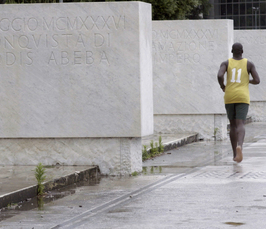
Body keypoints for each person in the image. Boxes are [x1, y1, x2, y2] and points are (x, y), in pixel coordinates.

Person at [217, 43, 260, 163]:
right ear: (242, 51)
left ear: (232, 51)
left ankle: (235, 154)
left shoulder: (226, 63)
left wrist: (222, 86)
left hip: (230, 96)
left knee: (232, 125)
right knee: (240, 123)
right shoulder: (249, 64)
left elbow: (220, 75)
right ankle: (240, 146)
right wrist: (247, 80)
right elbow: (257, 80)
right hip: (243, 96)